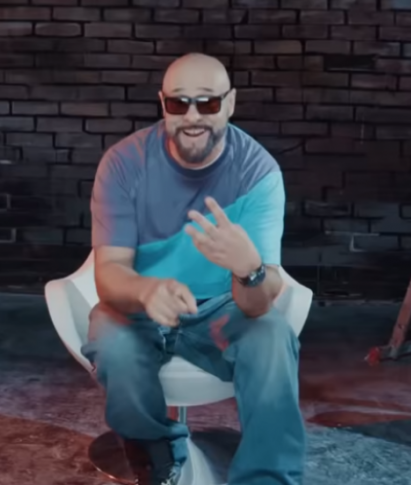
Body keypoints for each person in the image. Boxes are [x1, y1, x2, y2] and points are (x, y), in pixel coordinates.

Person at [81, 52, 305, 485]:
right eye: (179, 103)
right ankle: (158, 457)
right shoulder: (124, 163)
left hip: (224, 306)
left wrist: (249, 270)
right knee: (112, 339)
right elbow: (109, 274)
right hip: (142, 304)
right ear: (162, 103)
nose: (193, 116)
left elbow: (258, 303)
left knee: (272, 336)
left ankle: (267, 478)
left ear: (230, 103)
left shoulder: (258, 172)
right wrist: (146, 291)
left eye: (208, 102)